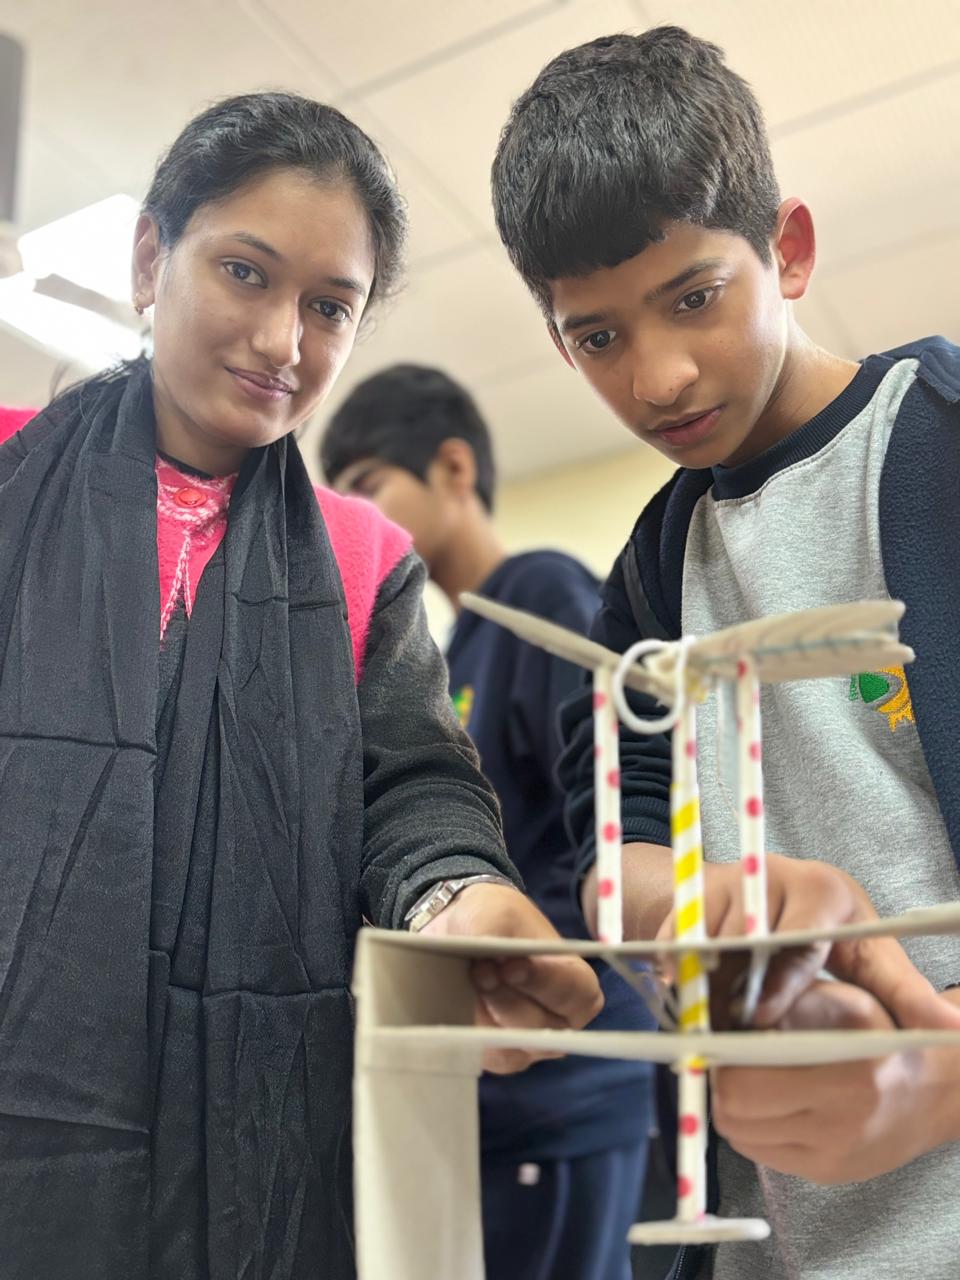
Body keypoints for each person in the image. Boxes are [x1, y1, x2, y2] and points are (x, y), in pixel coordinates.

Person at [0, 92, 603, 1280]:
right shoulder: (11, 477)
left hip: (248, 1148)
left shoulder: (363, 557)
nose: (283, 340)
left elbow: (412, 786)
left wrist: (459, 898)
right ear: (149, 259)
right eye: (245, 271)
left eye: (330, 306)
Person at [490, 25, 960, 1280]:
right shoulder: (651, 572)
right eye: (597, 337)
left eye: (694, 297)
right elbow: (618, 859)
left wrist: (940, 1068)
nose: (658, 376)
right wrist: (696, 907)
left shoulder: (940, 443)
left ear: (787, 249)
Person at [322, 363, 655, 1280]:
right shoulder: (446, 658)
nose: (356, 519)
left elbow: (615, 810)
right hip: (496, 1078)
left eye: (368, 486)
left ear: (455, 469)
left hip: (572, 1070)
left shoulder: (538, 594)